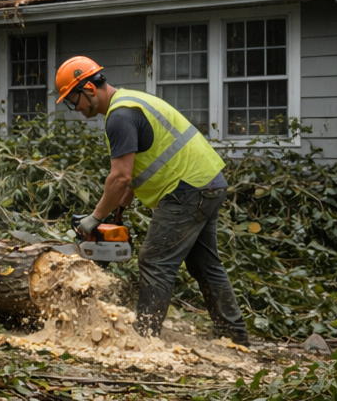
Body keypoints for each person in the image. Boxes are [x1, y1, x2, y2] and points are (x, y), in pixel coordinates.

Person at [55, 56, 247, 344]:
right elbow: (141, 167)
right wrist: (120, 207)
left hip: (187, 189)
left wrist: (94, 219)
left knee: (155, 260)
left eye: (73, 100)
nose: (76, 108)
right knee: (204, 263)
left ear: (89, 90)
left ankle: (144, 340)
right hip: (208, 182)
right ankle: (234, 336)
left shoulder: (119, 117)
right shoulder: (130, 102)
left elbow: (119, 176)